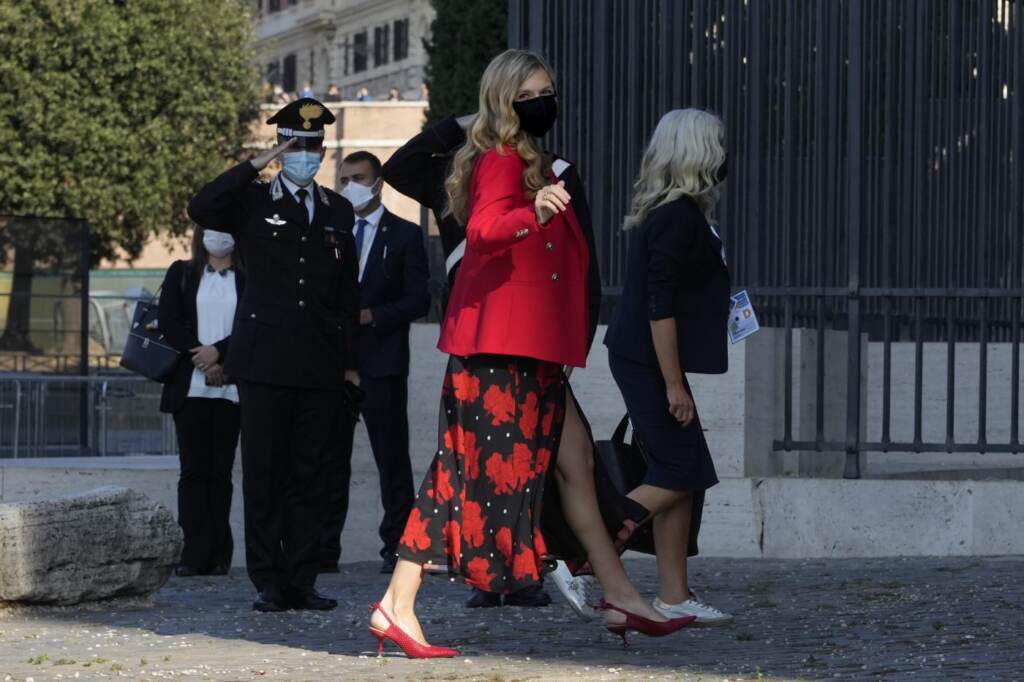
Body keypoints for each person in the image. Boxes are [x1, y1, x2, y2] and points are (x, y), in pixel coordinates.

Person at [368, 49, 695, 659]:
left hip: (532, 350)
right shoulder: (499, 159)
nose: (546, 100)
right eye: (532, 92)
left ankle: (619, 593)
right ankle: (398, 602)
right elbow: (485, 228)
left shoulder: (540, 163)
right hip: (498, 348)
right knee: (459, 471)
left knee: (578, 464)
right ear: (505, 99)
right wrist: (529, 212)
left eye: (549, 88)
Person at [187, 97, 360, 613]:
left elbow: (347, 294)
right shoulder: (252, 201)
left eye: (313, 146)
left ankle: (302, 578)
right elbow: (202, 206)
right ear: (283, 148)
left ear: (324, 150)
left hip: (319, 361)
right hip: (264, 361)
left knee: (311, 475)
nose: (307, 154)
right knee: (264, 474)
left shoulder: (337, 209)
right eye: (296, 146)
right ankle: (267, 578)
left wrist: (350, 362)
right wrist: (253, 165)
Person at [604, 109, 735, 627]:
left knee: (679, 474)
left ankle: (675, 596)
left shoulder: (680, 212)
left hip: (652, 360)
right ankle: (582, 551)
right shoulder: (677, 215)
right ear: (699, 152)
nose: (725, 154)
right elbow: (659, 305)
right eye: (718, 144)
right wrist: (674, 384)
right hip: (648, 362)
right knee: (684, 470)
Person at [319, 151, 430, 575]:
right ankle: (324, 548)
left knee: (391, 460)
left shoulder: (403, 235)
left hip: (382, 363)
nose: (351, 185)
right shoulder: (328, 233)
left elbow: (417, 298)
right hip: (333, 364)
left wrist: (373, 315)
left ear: (378, 182)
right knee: (329, 461)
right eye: (344, 178)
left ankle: (398, 546)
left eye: (359, 177)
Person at [158, 227, 244, 577]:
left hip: (231, 386)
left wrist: (220, 355)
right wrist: (201, 358)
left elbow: (252, 325)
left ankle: (219, 552)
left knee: (220, 472)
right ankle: (192, 553)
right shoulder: (182, 272)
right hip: (190, 387)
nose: (220, 234)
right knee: (193, 471)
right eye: (212, 226)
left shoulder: (249, 278)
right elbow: (169, 321)